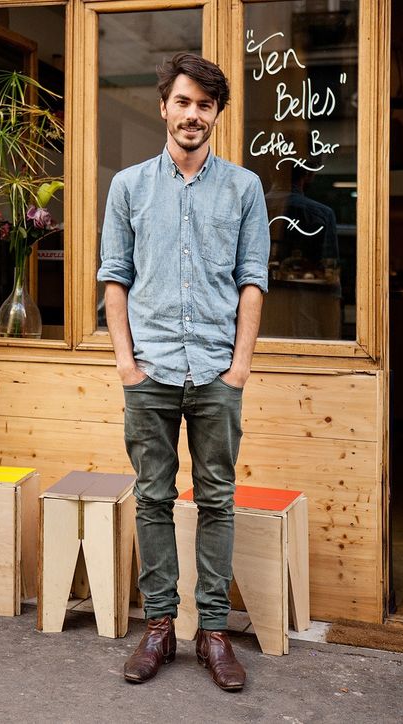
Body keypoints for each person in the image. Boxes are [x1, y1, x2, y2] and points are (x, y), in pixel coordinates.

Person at [97, 52, 270, 692]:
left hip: (218, 374)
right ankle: (161, 627)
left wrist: (239, 368)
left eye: (205, 105)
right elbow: (114, 278)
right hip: (152, 372)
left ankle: (214, 633)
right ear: (164, 106)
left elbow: (253, 282)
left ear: (217, 114)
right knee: (152, 498)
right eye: (183, 102)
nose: (192, 114)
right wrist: (126, 363)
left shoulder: (244, 188)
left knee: (218, 499)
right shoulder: (129, 187)